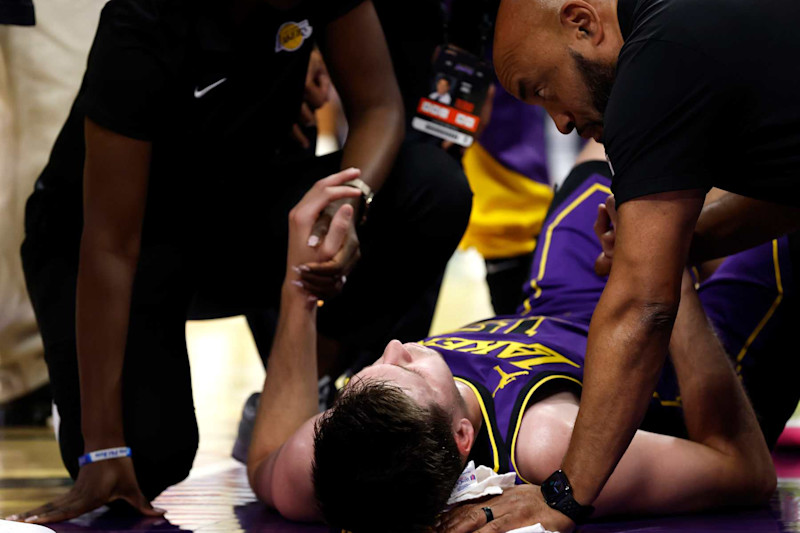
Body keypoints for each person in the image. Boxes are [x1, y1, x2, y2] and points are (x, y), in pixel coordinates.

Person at [11, 0, 472, 524]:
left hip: (230, 215)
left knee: (430, 188)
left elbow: (379, 106)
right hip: (107, 240)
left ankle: (296, 395)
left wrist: (346, 205)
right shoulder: (142, 20)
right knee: (143, 463)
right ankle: (102, 420)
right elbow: (110, 246)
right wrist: (103, 447)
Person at [242, 148, 798, 533]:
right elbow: (744, 472)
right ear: (463, 438)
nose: (395, 347)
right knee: (777, 181)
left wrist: (299, 289)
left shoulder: (338, 453)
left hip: (559, 306)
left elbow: (265, 458)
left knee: (613, 146)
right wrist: (665, 265)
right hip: (684, 348)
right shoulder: (545, 443)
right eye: (410, 370)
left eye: (366, 375)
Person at [489, 0, 800, 529]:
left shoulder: (655, 61)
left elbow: (644, 306)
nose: (560, 123)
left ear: (583, 23)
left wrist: (563, 497)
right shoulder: (686, 27)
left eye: (542, 90)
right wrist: (677, 244)